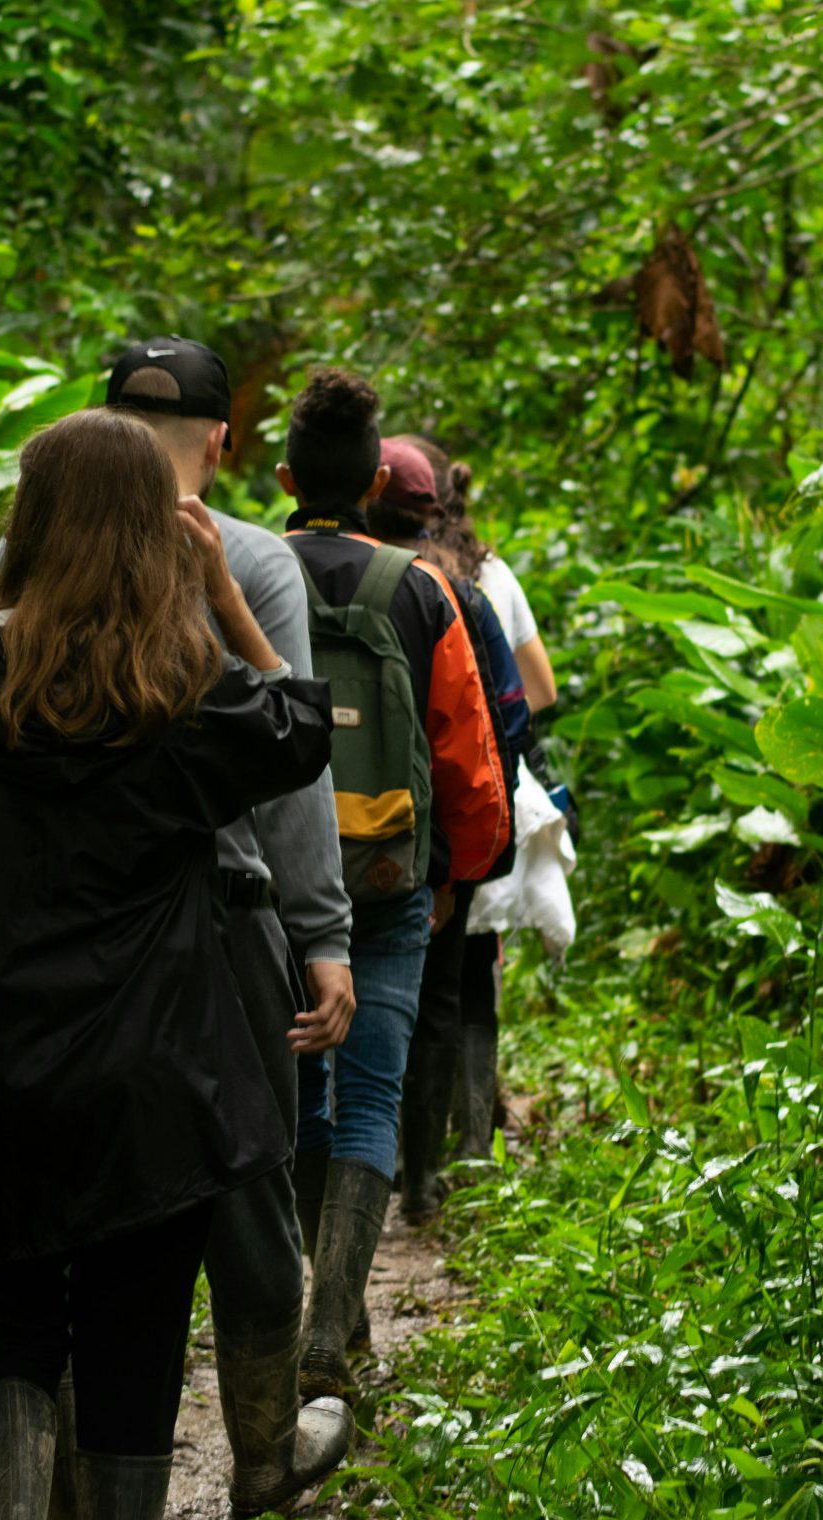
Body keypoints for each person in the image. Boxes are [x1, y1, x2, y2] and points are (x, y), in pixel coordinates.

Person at [0, 409, 334, 1520]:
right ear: (154, 531)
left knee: (2, 1325)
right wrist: (229, 591)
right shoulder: (187, 691)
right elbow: (305, 724)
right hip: (155, 1080)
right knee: (132, 1338)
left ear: (33, 518)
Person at [0, 339, 358, 1520]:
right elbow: (294, 757)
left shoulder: (19, 555)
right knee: (244, 1192)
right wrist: (325, 934)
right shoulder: (242, 557)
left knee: (69, 1224)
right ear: (222, 442)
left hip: (33, 938)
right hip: (219, 929)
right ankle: (259, 1450)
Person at [277, 369, 510, 1400]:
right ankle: (331, 1328)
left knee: (298, 1100)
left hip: (274, 889)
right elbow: (468, 754)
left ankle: (331, 1308)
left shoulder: (241, 570)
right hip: (386, 878)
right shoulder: (422, 590)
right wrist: (461, 870)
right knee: (370, 1087)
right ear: (376, 478)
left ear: (283, 475)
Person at [364, 437, 528, 1224]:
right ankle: (420, 1179)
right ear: (434, 508)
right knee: (434, 1003)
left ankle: (352, 1179)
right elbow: (505, 721)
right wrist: (465, 864)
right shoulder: (455, 592)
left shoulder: (300, 573)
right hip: (425, 851)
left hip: (315, 843)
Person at [399, 436, 565, 1169]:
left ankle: (411, 1155)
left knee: (411, 981)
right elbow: (542, 691)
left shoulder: (387, 568)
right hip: (477, 802)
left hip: (398, 806)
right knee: (473, 980)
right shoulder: (489, 575)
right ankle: (470, 1142)